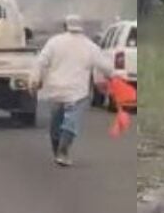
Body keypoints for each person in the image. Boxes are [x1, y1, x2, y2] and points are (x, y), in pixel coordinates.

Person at [31, 14, 115, 167]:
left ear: (65, 26)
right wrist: (114, 77)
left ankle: (57, 150)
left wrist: (35, 80)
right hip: (78, 93)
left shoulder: (54, 43)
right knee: (71, 121)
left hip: (56, 91)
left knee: (56, 123)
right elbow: (106, 66)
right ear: (81, 27)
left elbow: (40, 62)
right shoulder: (89, 46)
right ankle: (63, 151)